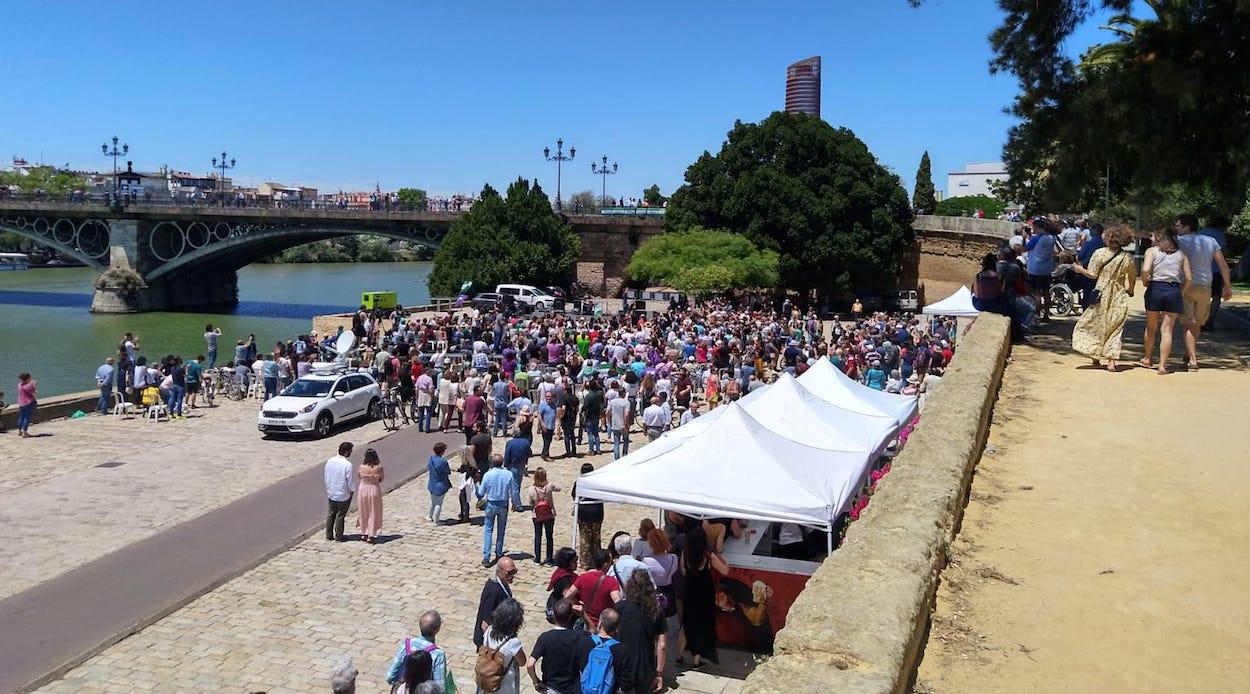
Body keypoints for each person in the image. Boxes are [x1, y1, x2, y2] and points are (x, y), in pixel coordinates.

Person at [1070, 225, 1137, 371]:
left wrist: (1080, 270)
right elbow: (1132, 277)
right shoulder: (1128, 258)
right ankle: (1112, 360)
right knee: (1116, 327)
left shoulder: (1099, 254)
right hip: (1118, 294)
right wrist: (1130, 290)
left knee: (1096, 324)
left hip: (1101, 292)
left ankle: (1095, 355)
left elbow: (1092, 274)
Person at [1176, 214, 1233, 370]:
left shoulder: (1179, 241)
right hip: (1205, 285)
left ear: (1187, 227)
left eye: (1178, 226)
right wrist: (1227, 286)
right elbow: (1222, 265)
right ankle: (1190, 352)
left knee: (1188, 323)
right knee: (1198, 323)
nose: (1176, 228)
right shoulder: (1210, 241)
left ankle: (1193, 360)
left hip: (1186, 285)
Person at [1139, 227, 1191, 375]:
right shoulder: (1181, 255)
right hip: (1173, 289)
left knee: (1151, 327)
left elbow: (1145, 269)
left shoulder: (1152, 252)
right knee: (1167, 330)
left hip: (1155, 288)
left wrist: (1144, 281)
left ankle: (1148, 358)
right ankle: (1162, 365)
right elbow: (1189, 278)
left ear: (1159, 238)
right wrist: (1182, 291)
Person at [677, 525, 728, 667]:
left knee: (687, 625)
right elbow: (724, 571)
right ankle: (696, 660)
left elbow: (683, 571)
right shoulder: (708, 555)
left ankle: (679, 655)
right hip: (704, 593)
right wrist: (726, 563)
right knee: (701, 625)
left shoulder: (685, 553)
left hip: (690, 591)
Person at [613, 571, 668, 694]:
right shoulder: (656, 611)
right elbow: (662, 645)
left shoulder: (619, 607)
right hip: (645, 667)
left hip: (622, 665)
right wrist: (659, 673)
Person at [526, 598, 592, 694]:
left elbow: (530, 664)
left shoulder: (545, 637)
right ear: (571, 616)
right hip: (571, 688)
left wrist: (536, 682)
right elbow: (593, 632)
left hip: (550, 688)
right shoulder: (579, 637)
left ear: (554, 616)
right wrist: (583, 615)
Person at [386, 610, 455, 694]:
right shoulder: (438, 654)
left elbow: (390, 677)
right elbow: (440, 688)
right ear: (437, 630)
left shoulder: (406, 644)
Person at [564, 548, 622, 631]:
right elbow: (618, 602)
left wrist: (578, 605)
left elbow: (567, 596)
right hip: (604, 626)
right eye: (610, 562)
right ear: (605, 564)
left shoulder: (583, 578)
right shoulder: (611, 582)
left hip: (586, 622)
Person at [477, 598, 526, 694]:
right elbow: (522, 662)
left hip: (487, 681)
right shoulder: (513, 643)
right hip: (505, 685)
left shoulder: (489, 631)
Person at [476, 453, 513, 566]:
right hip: (503, 504)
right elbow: (514, 491)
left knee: (488, 530)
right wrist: (516, 504)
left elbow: (481, 493)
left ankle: (486, 557)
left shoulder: (488, 475)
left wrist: (477, 486)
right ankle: (498, 552)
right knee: (501, 530)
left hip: (491, 504)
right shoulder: (508, 474)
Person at [474, 557, 517, 647]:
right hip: (492, 642)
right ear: (499, 572)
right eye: (509, 573)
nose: (512, 576)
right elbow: (486, 623)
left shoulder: (503, 583)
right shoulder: (493, 590)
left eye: (514, 572)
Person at [1025, 218, 1060, 320]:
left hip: (1035, 269)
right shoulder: (1052, 237)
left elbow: (1025, 248)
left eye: (1034, 228)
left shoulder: (1036, 238)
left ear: (1038, 228)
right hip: (1047, 268)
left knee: (1037, 294)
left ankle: (1037, 315)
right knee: (1046, 292)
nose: (1033, 230)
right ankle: (1046, 315)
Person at [1199, 215, 1230, 330]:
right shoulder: (1219, 235)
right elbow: (1224, 252)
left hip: (1201, 270)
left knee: (1203, 296)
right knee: (1216, 297)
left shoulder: (1201, 233)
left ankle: (1200, 319)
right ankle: (1210, 321)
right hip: (1215, 270)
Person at [573, 463, 604, 569]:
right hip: (596, 514)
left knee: (584, 540)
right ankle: (597, 561)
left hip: (584, 514)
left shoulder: (579, 482)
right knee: (596, 539)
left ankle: (585, 562)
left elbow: (574, 495)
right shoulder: (599, 482)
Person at [324, 442, 356, 542]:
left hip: (331, 491)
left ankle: (329, 534)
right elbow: (349, 480)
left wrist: (328, 488)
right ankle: (339, 535)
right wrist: (352, 490)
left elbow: (326, 475)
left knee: (331, 513)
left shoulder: (330, 461)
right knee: (340, 515)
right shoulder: (347, 465)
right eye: (350, 450)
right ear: (346, 452)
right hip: (343, 493)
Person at [528, 467, 561, 565]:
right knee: (549, 536)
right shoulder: (549, 486)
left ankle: (537, 558)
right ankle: (549, 558)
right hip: (549, 514)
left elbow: (530, 503)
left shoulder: (531, 489)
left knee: (538, 536)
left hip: (537, 515)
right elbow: (558, 489)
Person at [356, 447, 384, 543]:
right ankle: (371, 533)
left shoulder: (361, 467)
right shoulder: (379, 467)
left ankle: (364, 532)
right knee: (373, 512)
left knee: (363, 511)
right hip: (374, 489)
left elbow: (359, 476)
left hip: (363, 489)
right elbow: (381, 479)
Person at [504, 423, 532, 512]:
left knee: (514, 485)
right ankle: (515, 502)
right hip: (521, 465)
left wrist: (506, 464)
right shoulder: (525, 442)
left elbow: (507, 455)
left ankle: (517, 504)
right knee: (517, 484)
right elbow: (529, 453)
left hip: (512, 466)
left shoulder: (510, 443)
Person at [427, 442, 452, 524]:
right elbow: (448, 472)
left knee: (433, 502)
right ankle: (437, 521)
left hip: (432, 483)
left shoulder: (431, 459)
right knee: (439, 504)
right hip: (440, 485)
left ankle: (429, 516)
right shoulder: (443, 462)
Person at [606, 385, 632, 459]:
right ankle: (624, 455)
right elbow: (626, 414)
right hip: (624, 424)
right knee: (625, 441)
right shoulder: (626, 402)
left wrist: (609, 421)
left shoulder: (613, 402)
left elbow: (607, 411)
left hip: (615, 424)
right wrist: (626, 424)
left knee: (616, 442)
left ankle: (616, 458)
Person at [456, 445, 478, 524]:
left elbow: (466, 473)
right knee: (465, 500)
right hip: (467, 483)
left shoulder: (466, 464)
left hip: (466, 483)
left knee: (464, 500)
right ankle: (464, 515)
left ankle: (465, 516)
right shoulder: (470, 462)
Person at [537, 390, 558, 461]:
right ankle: (546, 455)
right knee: (547, 441)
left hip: (551, 426)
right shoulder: (543, 405)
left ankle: (544, 453)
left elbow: (554, 414)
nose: (548, 398)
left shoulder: (553, 404)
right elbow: (539, 415)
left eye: (550, 396)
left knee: (549, 441)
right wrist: (542, 424)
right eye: (547, 396)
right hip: (545, 426)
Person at [16, 373, 37, 438]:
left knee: (21, 416)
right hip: (28, 403)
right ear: (27, 378)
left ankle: (19, 431)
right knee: (27, 417)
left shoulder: (19, 385)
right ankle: (25, 432)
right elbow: (34, 393)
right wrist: (34, 385)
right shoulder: (29, 386)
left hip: (21, 403)